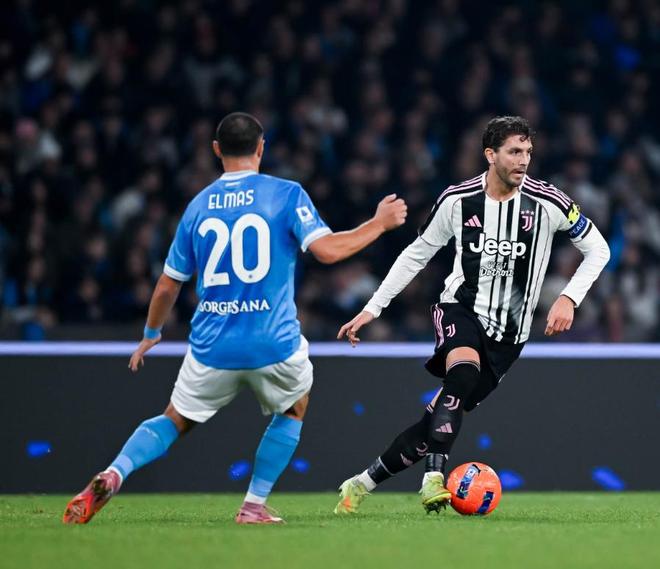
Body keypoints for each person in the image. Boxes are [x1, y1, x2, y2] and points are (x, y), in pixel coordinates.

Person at [62, 112, 407, 525]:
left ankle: (115, 472)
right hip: (272, 343)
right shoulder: (286, 194)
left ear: (216, 150)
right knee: (294, 405)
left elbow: (168, 285)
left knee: (173, 420)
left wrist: (151, 333)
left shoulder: (197, 206)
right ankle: (253, 505)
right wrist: (378, 224)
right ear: (261, 147)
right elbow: (328, 251)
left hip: (212, 346)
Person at [333, 116, 610, 515]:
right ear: (490, 154)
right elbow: (416, 255)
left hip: (509, 337)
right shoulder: (457, 200)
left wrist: (569, 297)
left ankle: (360, 483)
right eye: (514, 152)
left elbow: (598, 249)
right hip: (460, 309)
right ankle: (433, 478)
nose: (523, 160)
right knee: (462, 373)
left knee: (435, 423)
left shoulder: (550, 202)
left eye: (528, 152)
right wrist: (372, 307)